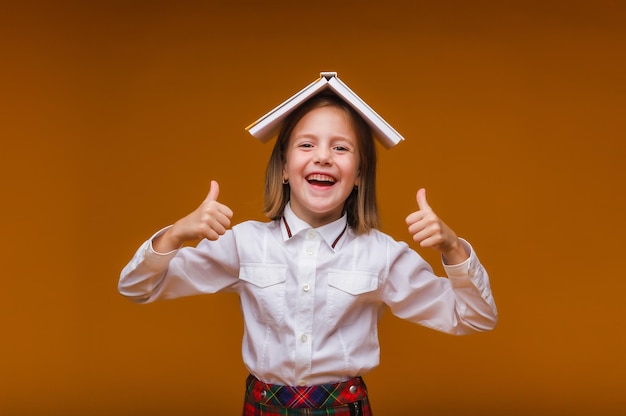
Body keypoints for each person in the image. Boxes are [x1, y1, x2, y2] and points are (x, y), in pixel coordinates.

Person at [119, 92, 498, 415]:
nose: (323, 157)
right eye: (307, 144)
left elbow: (476, 318)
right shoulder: (244, 243)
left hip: (343, 406)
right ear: (284, 168)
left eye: (341, 147)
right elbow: (137, 287)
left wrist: (452, 247)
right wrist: (175, 234)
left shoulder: (381, 254)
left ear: (359, 174)